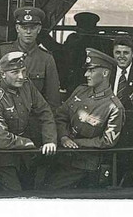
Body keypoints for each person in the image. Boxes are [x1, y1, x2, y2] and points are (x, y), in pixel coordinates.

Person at [49, 48, 124, 189]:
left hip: (85, 165)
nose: (86, 74)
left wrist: (76, 143)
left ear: (105, 73)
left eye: (91, 71)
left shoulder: (114, 107)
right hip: (62, 156)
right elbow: (61, 115)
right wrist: (64, 137)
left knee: (51, 189)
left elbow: (107, 141)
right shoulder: (81, 90)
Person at [0, 51, 58, 191]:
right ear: (3, 74)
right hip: (4, 157)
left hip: (25, 155)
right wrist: (28, 143)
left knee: (33, 190)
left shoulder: (27, 85)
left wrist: (49, 140)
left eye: (24, 71)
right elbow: (1, 140)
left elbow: (45, 112)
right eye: (15, 72)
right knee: (15, 193)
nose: (21, 76)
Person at [0, 6, 61, 107]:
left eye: (33, 28)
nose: (28, 32)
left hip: (34, 114)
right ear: (17, 28)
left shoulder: (46, 59)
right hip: (5, 113)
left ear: (39, 29)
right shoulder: (1, 52)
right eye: (24, 28)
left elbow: (53, 98)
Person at [111, 37, 133, 185]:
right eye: (118, 52)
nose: (121, 56)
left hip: (131, 132)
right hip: (107, 129)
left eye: (126, 52)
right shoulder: (106, 72)